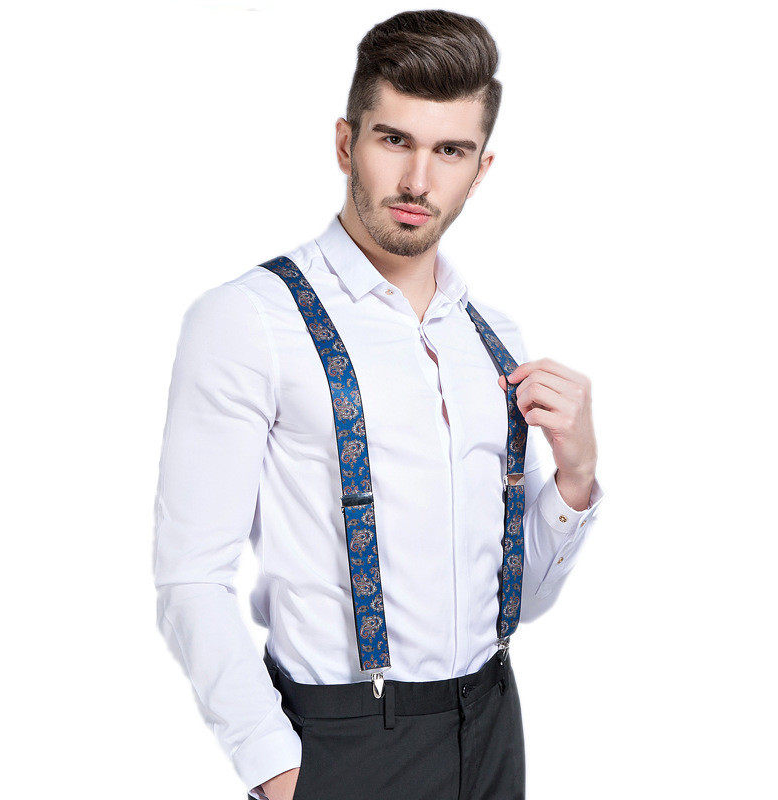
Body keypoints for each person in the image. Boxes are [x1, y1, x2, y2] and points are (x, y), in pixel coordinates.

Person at [153, 9, 603, 800]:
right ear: (345, 143)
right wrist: (279, 771)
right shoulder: (248, 320)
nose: (418, 181)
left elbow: (522, 601)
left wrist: (575, 477)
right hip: (343, 741)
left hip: (493, 724)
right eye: (394, 140)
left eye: (450, 151)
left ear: (480, 168)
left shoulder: (493, 338)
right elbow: (190, 579)